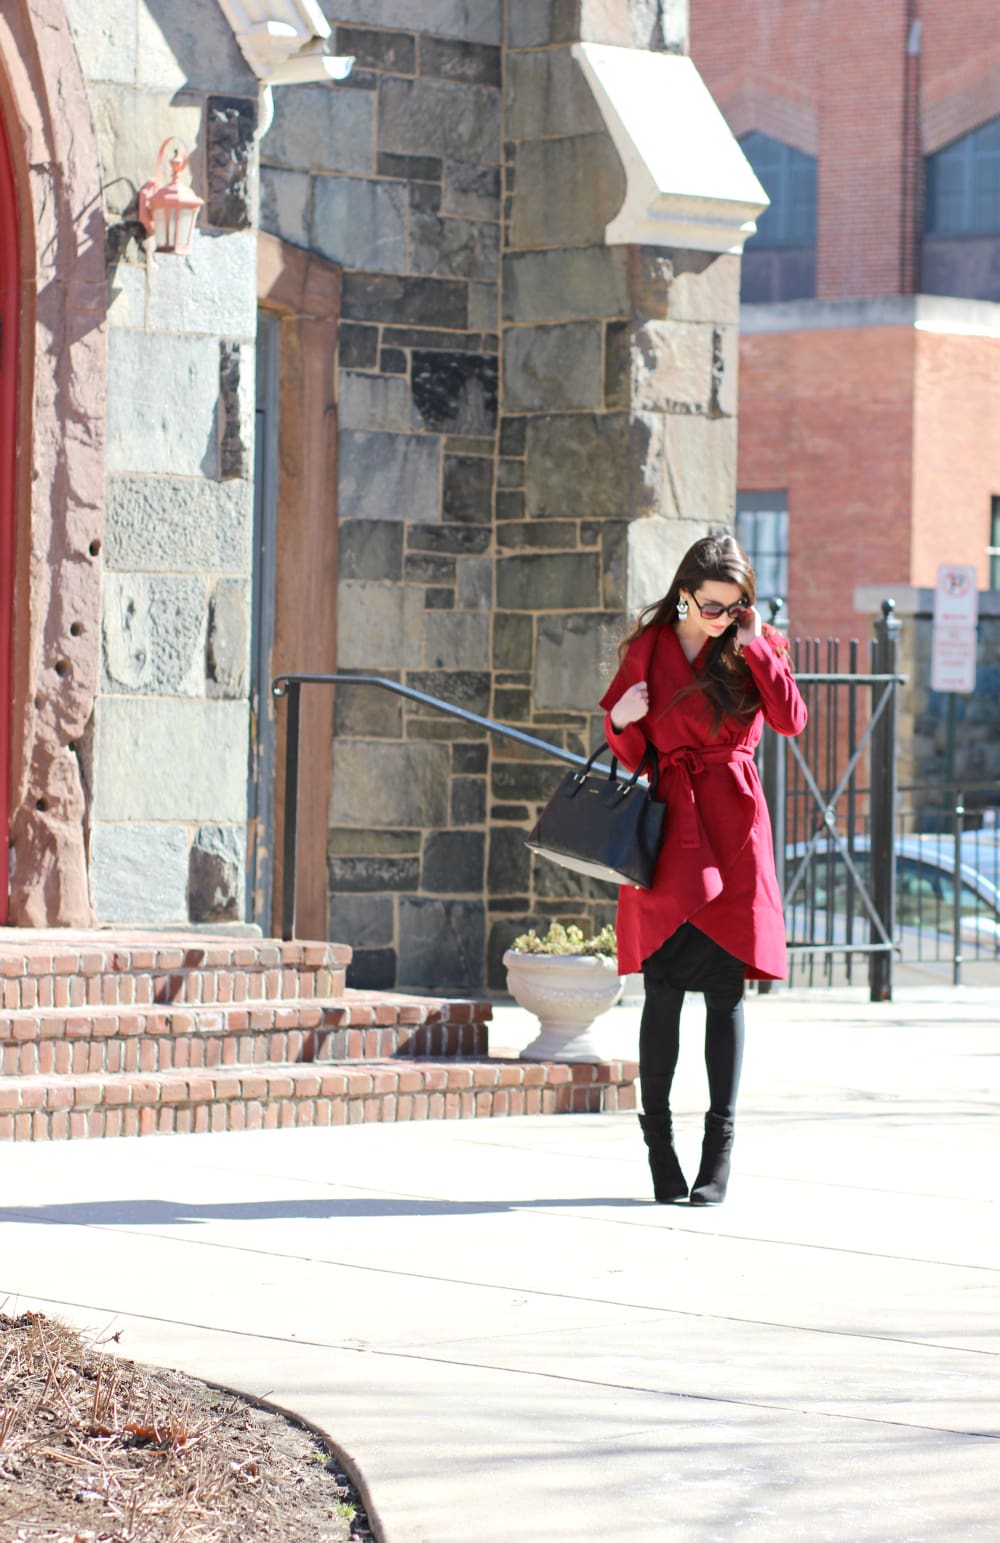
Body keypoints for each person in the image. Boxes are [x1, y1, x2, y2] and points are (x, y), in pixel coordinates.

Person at [599, 534, 807, 1205]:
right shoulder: (649, 647)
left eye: (735, 607)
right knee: (661, 992)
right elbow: (628, 749)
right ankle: (659, 1148)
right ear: (685, 592)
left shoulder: (752, 643)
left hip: (735, 830)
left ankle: (718, 1152)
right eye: (714, 606)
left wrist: (754, 646)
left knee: (725, 992)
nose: (724, 618)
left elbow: (792, 719)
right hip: (669, 830)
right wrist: (622, 721)